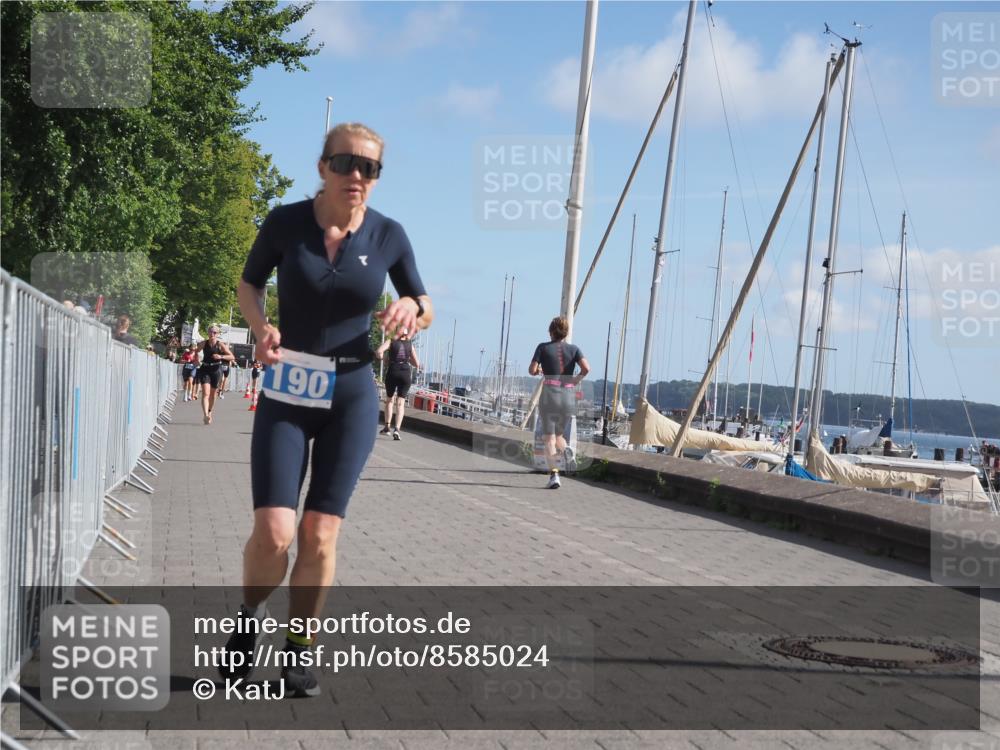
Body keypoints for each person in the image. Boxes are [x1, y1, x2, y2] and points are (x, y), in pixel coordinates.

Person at [230, 122, 433, 697]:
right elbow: (249, 284)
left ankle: (298, 648)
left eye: (369, 168)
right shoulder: (285, 222)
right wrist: (260, 325)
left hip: (350, 395)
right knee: (274, 532)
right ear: (322, 166)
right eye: (346, 164)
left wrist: (411, 309)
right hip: (289, 390)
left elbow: (425, 300)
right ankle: (247, 621)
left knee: (319, 533)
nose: (357, 177)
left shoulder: (389, 234)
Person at [528, 316, 590, 489]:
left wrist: (540, 369)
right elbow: (587, 368)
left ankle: (554, 475)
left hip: (549, 395)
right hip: (567, 396)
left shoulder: (543, 347)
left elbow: (532, 370)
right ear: (565, 333)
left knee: (548, 439)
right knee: (559, 436)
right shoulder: (574, 349)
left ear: (551, 331)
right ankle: (566, 450)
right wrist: (575, 380)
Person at [375, 328, 420, 440]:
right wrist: (407, 359)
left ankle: (387, 427)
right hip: (405, 373)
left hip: (393, 370)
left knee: (390, 400)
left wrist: (383, 359)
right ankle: (397, 430)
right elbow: (417, 364)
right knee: (400, 403)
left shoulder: (391, 341)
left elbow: (379, 352)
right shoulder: (410, 345)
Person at [196, 325, 235, 424]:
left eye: (214, 332)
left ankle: (209, 412)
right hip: (205, 369)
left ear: (217, 334)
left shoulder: (220, 345)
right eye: (210, 332)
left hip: (216, 370)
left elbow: (232, 356)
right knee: (205, 393)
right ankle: (205, 415)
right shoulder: (203, 343)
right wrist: (196, 360)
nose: (212, 334)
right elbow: (196, 351)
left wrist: (221, 356)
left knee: (213, 395)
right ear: (208, 333)